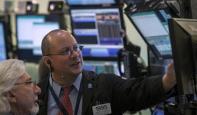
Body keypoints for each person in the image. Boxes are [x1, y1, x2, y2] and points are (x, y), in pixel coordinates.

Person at [38, 29, 176, 115]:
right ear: (48, 61)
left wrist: (167, 81)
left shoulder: (104, 85)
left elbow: (137, 91)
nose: (75, 55)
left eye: (76, 48)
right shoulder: (37, 94)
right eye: (65, 51)